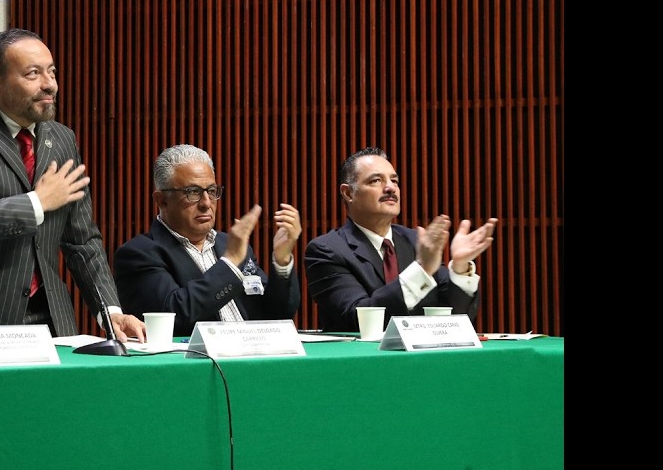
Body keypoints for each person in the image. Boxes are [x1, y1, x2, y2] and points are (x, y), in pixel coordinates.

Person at [0, 27, 147, 346]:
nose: (50, 84)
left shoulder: (62, 139)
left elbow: (82, 239)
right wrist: (36, 203)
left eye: (52, 72)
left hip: (47, 322)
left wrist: (109, 310)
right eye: (33, 74)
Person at [304, 146, 499, 332]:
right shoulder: (327, 250)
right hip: (362, 363)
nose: (390, 188)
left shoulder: (415, 241)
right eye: (376, 181)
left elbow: (454, 316)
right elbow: (358, 319)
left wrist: (460, 267)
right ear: (348, 193)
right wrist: (421, 269)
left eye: (394, 181)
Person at [114, 144, 302, 337]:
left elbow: (278, 315)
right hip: (196, 364)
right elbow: (172, 316)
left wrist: (282, 261)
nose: (206, 203)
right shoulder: (139, 254)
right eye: (192, 192)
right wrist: (230, 263)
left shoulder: (229, 244)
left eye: (211, 191)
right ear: (162, 200)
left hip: (253, 358)